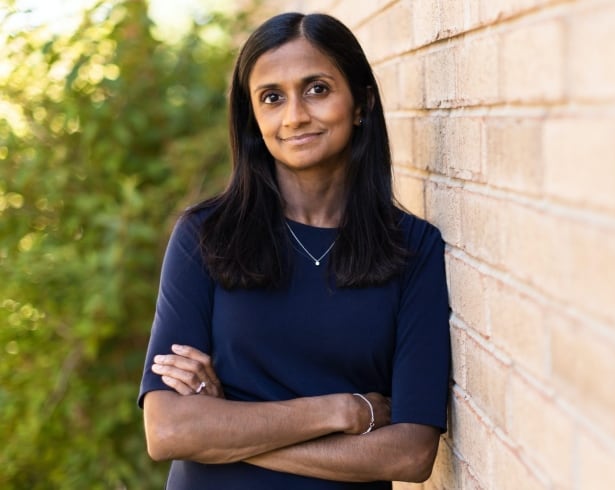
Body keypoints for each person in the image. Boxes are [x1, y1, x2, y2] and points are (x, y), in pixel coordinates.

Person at [137, 12, 451, 489]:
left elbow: (408, 455)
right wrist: (344, 410)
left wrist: (225, 425)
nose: (295, 115)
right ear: (253, 118)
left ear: (361, 102)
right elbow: (167, 430)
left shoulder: (412, 248)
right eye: (271, 98)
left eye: (317, 89)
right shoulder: (206, 236)